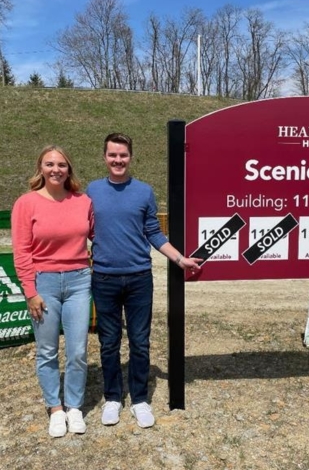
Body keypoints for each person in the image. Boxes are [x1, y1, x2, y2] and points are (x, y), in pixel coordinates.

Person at [86, 132, 201, 429]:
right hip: (104, 278)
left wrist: (179, 259)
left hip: (139, 279)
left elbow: (154, 233)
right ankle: (113, 397)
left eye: (123, 155)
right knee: (109, 342)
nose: (118, 160)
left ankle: (139, 399)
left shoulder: (144, 192)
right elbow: (81, 229)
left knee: (140, 341)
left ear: (130, 157)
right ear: (104, 157)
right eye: (112, 155)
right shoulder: (92, 191)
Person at [11, 145, 94, 438]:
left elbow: (97, 235)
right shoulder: (26, 203)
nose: (56, 169)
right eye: (49, 164)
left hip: (79, 281)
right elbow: (21, 251)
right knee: (47, 350)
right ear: (41, 168)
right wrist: (30, 291)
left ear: (68, 169)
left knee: (78, 350)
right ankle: (55, 409)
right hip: (43, 283)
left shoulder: (83, 201)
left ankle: (73, 406)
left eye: (61, 164)